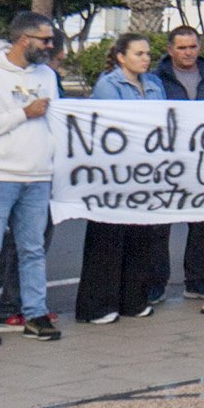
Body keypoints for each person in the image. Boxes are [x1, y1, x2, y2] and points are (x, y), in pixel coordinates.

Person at [0, 13, 64, 347]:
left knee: (32, 249)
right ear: (23, 39)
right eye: (45, 40)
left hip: (38, 175)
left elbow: (56, 120)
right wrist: (23, 113)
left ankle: (35, 313)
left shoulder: (46, 74)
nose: (50, 46)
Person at [76, 32, 167, 325]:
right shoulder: (108, 85)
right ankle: (99, 305)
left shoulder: (154, 84)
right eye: (138, 54)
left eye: (147, 54)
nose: (145, 59)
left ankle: (133, 299)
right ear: (121, 57)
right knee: (108, 240)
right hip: (113, 174)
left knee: (141, 237)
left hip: (145, 173)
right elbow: (113, 127)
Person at [160, 26, 204, 300]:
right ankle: (157, 283)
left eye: (192, 47)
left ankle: (196, 280)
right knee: (160, 225)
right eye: (181, 47)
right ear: (170, 50)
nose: (188, 52)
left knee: (201, 225)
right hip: (169, 161)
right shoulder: (157, 79)